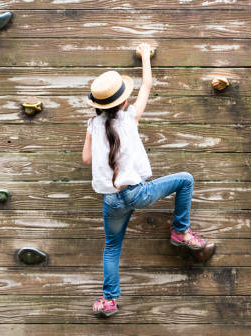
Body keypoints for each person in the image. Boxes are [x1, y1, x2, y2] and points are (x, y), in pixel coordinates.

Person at [83, 43, 215, 318]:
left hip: (111, 200)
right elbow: (147, 85)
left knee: (111, 248)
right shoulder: (129, 118)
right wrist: (144, 56)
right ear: (123, 102)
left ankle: (109, 301)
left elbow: (86, 159)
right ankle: (180, 231)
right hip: (137, 193)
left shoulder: (93, 126)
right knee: (185, 180)